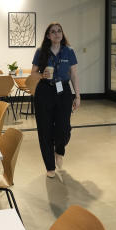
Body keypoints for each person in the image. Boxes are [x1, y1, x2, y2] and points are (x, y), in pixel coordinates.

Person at [31, 22, 81, 177]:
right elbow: (33, 74)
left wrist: (77, 95)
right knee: (45, 130)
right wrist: (41, 75)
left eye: (59, 31)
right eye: (53, 32)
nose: (57, 34)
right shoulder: (41, 52)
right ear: (48, 35)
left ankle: (59, 150)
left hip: (63, 91)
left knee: (64, 128)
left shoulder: (69, 51)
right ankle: (50, 167)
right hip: (44, 91)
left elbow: (73, 75)